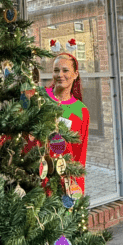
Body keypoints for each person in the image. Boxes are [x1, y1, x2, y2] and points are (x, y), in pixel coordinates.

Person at [43, 53, 89, 194]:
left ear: (75, 74)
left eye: (65, 70)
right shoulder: (42, 98)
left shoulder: (81, 111)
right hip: (35, 174)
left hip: (61, 181)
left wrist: (76, 187)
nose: (60, 75)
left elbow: (79, 154)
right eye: (56, 70)